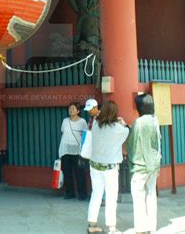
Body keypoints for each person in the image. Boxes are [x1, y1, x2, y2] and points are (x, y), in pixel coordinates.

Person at [87, 101, 129, 234]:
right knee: (111, 197)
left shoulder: (95, 125)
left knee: (96, 194)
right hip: (110, 168)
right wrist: (123, 123)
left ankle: (92, 224)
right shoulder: (117, 128)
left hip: (94, 165)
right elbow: (128, 131)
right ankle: (111, 227)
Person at [126, 93, 162, 234]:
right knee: (151, 194)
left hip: (141, 165)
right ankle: (152, 226)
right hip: (154, 163)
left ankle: (141, 228)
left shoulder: (139, 122)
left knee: (138, 196)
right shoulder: (155, 120)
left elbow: (132, 142)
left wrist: (127, 129)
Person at [58, 101, 88, 200]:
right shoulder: (65, 121)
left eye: (73, 108)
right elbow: (63, 133)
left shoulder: (82, 121)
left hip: (78, 150)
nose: (71, 110)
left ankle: (82, 194)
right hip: (65, 149)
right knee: (67, 172)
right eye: (70, 109)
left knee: (80, 173)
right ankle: (69, 192)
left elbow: (85, 136)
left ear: (78, 111)